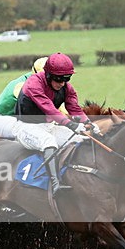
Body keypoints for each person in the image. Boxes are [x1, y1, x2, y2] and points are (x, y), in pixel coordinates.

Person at [11, 53, 101, 195]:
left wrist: (88, 123)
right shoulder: (33, 84)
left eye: (66, 79)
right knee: (49, 142)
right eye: (59, 79)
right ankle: (55, 184)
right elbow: (50, 109)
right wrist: (72, 125)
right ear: (48, 75)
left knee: (80, 139)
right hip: (25, 128)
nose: (62, 83)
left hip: (49, 127)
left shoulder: (67, 88)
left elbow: (74, 109)